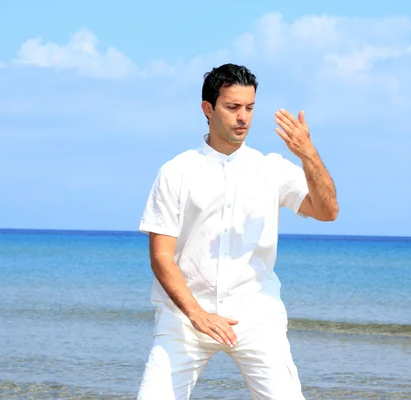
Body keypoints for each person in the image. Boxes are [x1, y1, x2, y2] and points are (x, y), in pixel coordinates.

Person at [137, 63, 339, 399]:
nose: (242, 117)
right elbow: (161, 257)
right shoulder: (177, 172)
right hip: (185, 318)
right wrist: (197, 314)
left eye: (249, 108)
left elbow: (328, 211)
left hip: (257, 317)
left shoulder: (271, 169)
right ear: (208, 108)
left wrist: (308, 155)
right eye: (232, 107)